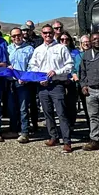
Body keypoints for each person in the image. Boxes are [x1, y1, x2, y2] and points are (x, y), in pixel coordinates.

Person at [28, 24, 74, 153]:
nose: (47, 35)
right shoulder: (38, 50)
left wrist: (57, 72)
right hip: (42, 86)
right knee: (47, 113)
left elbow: (69, 65)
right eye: (45, 33)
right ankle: (53, 136)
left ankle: (67, 141)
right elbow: (32, 65)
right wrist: (39, 77)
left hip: (57, 84)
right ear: (42, 34)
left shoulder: (61, 48)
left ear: (53, 33)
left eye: (49, 33)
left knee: (61, 113)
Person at [8, 27, 35, 144]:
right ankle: (14, 129)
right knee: (11, 107)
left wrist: (25, 78)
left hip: (23, 82)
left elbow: (32, 65)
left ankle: (24, 132)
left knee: (23, 108)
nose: (16, 38)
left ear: (22, 35)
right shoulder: (8, 49)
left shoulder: (29, 49)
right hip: (10, 81)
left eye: (18, 35)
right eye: (13, 36)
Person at [60, 33, 81, 128]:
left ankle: (71, 124)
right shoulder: (55, 51)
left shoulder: (75, 52)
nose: (64, 41)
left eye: (67, 39)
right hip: (59, 80)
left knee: (71, 104)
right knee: (61, 104)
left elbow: (76, 65)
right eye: (62, 39)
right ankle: (64, 125)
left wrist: (73, 76)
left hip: (72, 80)